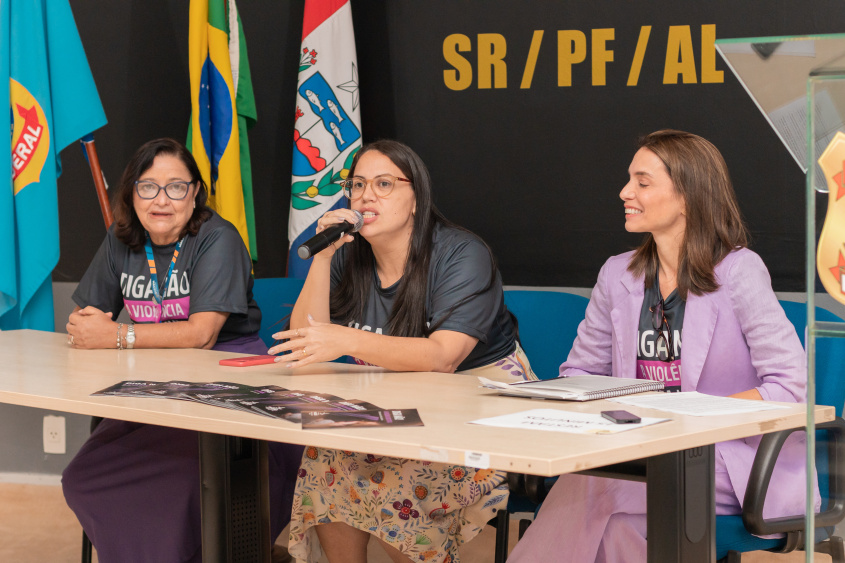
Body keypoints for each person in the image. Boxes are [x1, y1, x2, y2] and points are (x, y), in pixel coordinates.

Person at [508, 130, 817, 563]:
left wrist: (688, 418)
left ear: (688, 195)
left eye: (642, 182)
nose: (624, 192)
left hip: (729, 462)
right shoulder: (618, 274)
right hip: (639, 453)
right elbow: (578, 374)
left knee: (591, 484)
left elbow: (791, 387)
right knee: (616, 529)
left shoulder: (739, 271)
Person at [269, 139, 536, 563]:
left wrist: (346, 340)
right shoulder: (348, 254)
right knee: (323, 461)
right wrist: (322, 258)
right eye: (357, 185)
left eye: (384, 184)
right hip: (393, 394)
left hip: (482, 395)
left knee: (402, 475)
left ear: (417, 199)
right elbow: (305, 344)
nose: (365, 195)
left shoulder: (462, 253)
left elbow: (443, 356)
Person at [61, 138, 302, 563]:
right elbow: (85, 319)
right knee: (84, 476)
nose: (161, 199)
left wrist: (116, 336)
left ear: (194, 194)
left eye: (176, 187)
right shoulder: (122, 239)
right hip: (155, 385)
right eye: (147, 187)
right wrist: (93, 328)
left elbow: (201, 333)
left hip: (229, 386)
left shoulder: (218, 238)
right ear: (131, 193)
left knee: (176, 484)